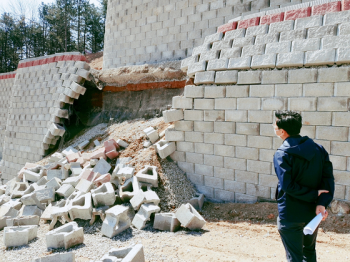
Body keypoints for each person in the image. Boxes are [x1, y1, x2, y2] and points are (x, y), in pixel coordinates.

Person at [273, 110, 334, 262]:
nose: (273, 126)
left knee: (294, 257)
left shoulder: (282, 154)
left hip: (290, 214)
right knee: (309, 253)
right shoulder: (319, 149)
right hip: (312, 213)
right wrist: (321, 203)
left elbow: (288, 186)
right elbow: (328, 181)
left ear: (282, 131)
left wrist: (315, 195)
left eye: (274, 124)